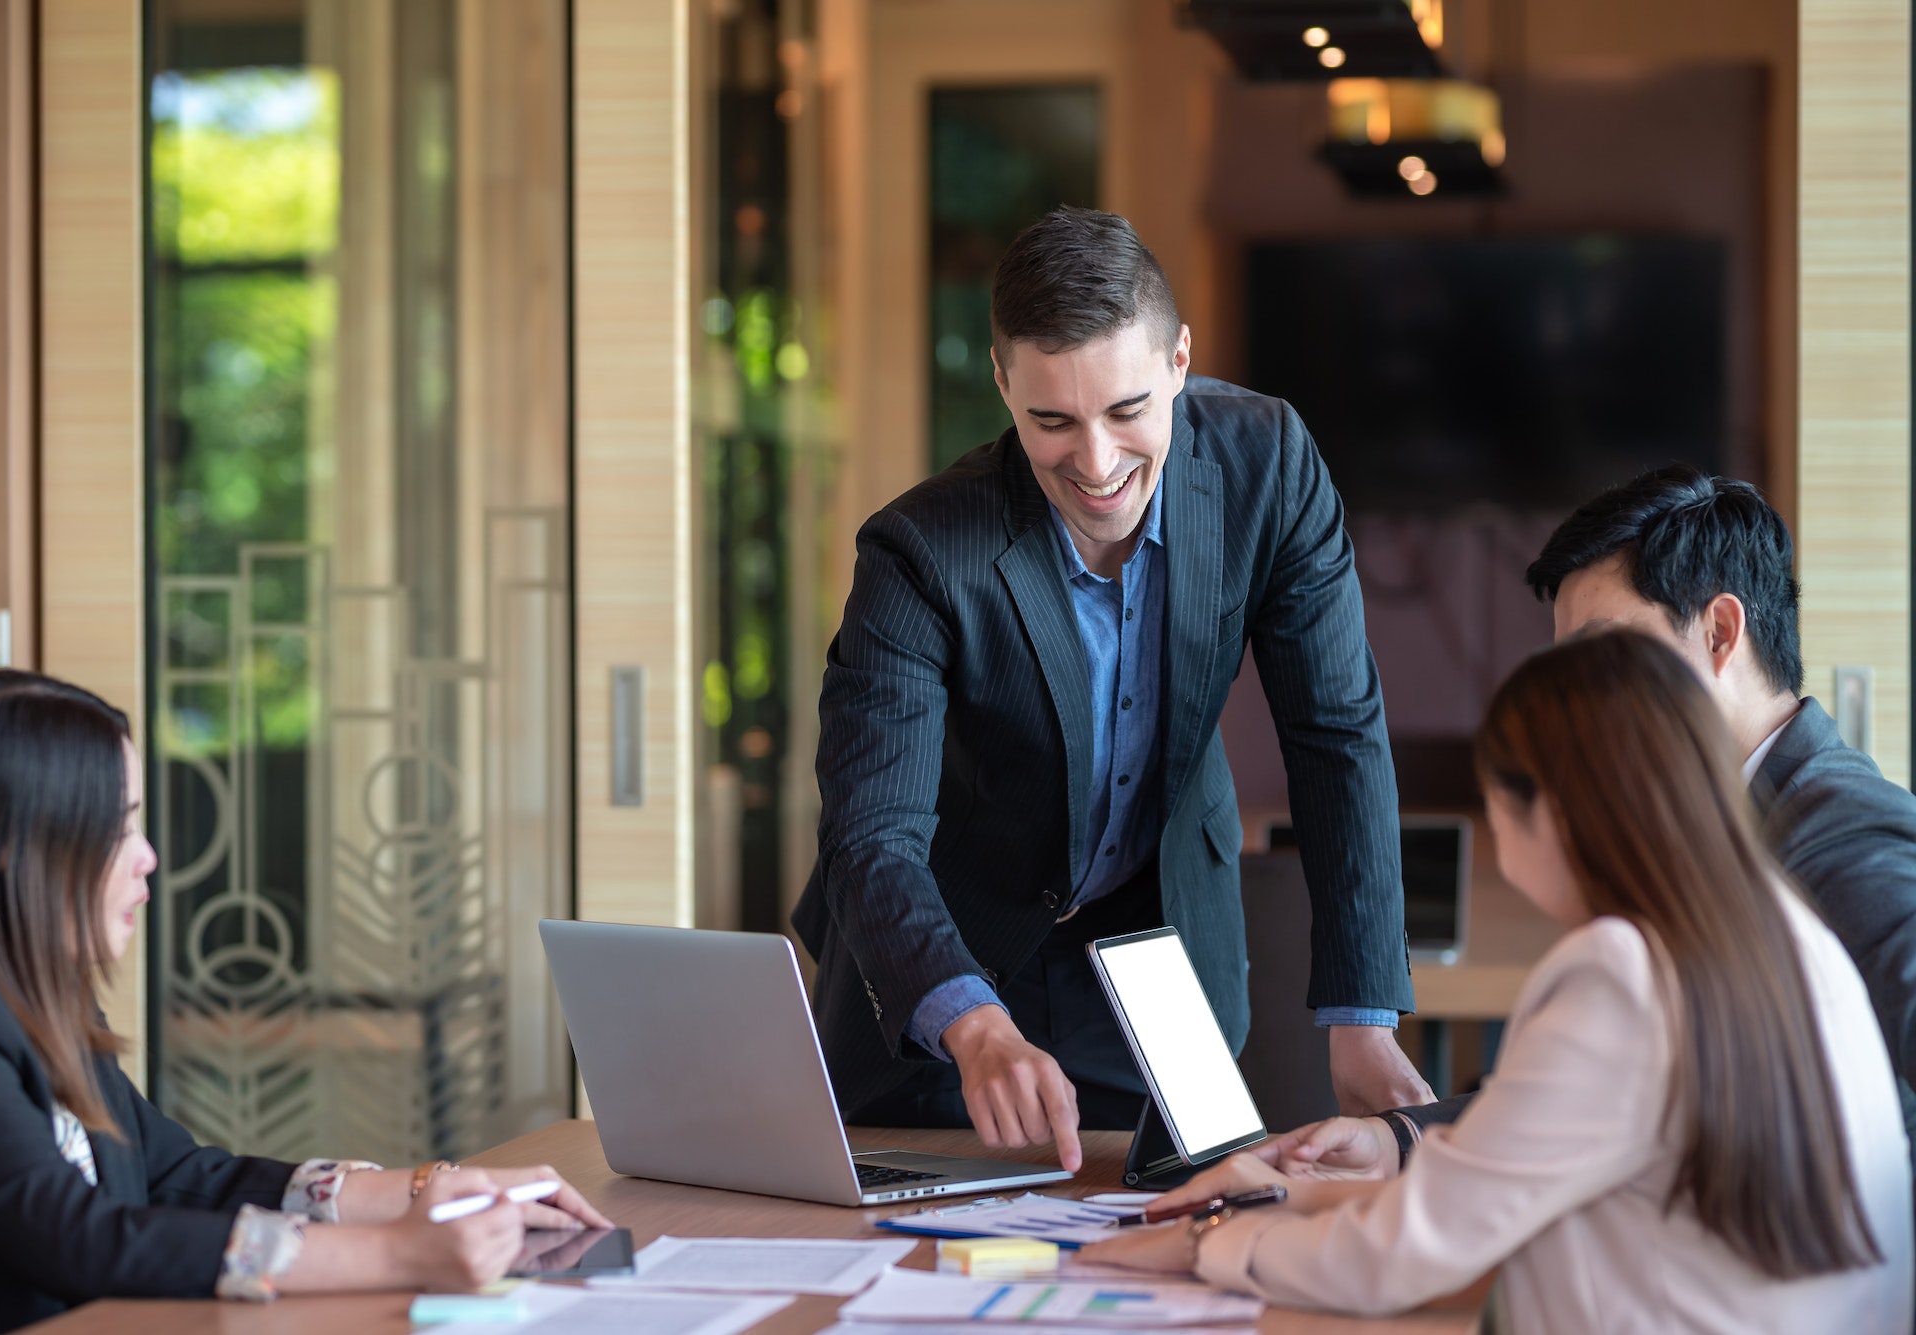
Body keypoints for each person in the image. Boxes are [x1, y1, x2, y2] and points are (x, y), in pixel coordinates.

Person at [792, 205, 1430, 1173]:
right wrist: (972, 1024)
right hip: (950, 958)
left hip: (1157, 943)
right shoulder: (919, 550)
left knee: (1176, 1217)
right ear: (1003, 383)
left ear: (1179, 361)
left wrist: (1362, 1021)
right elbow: (870, 833)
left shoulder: (1266, 467)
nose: (1095, 464)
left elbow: (1335, 733)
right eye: (1051, 421)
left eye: (1127, 411)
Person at [1082, 631, 1913, 1332]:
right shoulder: (1788, 933)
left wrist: (1208, 1245)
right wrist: (1286, 1199)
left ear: (1545, 811)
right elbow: (1486, 1198)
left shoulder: (1620, 973)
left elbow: (1412, 1250)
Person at [1260, 465, 1916, 1182]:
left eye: (1605, 657)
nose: (1581, 702)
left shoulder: (1843, 837)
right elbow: (1600, 1097)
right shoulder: (1698, 825)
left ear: (1720, 632)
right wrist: (1402, 1140)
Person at [0, 671, 612, 1334]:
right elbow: (79, 1236)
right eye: (118, 827)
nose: (148, 855)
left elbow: (177, 1175)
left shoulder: (40, 992)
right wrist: (397, 1254)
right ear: (13, 848)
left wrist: (421, 1192)